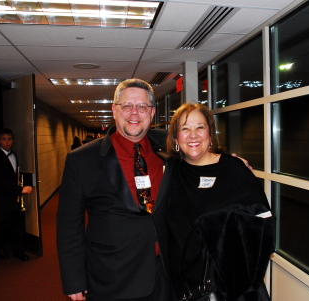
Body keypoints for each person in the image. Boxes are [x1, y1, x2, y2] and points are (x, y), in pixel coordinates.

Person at [57, 79, 175, 301]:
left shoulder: (169, 146)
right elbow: (68, 227)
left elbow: (202, 156)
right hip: (112, 277)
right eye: (127, 105)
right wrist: (74, 280)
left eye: (142, 106)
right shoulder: (81, 160)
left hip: (164, 275)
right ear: (114, 109)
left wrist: (233, 164)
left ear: (152, 113)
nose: (134, 112)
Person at [159, 103, 275, 301]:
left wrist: (216, 227)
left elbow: (263, 224)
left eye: (200, 127)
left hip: (227, 286)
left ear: (210, 134)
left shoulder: (233, 169)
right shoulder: (170, 171)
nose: (193, 135)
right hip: (182, 284)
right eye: (185, 128)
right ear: (176, 137)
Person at [0, 128, 33, 261]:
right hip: (1, 198)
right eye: (3, 139)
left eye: (9, 139)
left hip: (13, 196)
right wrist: (20, 190)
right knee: (2, 225)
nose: (7, 142)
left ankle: (19, 251)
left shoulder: (13, 155)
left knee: (18, 225)